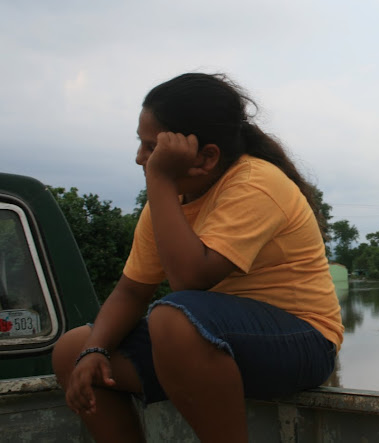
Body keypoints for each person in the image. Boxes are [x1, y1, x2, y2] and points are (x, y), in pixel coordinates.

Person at [52, 73, 343, 442]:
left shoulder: (255, 183)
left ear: (206, 156)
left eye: (151, 148)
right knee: (71, 351)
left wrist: (158, 179)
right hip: (208, 344)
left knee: (174, 316)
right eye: (141, 145)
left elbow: (189, 281)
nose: (140, 158)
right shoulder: (167, 201)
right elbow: (131, 292)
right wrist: (95, 350)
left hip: (302, 341)